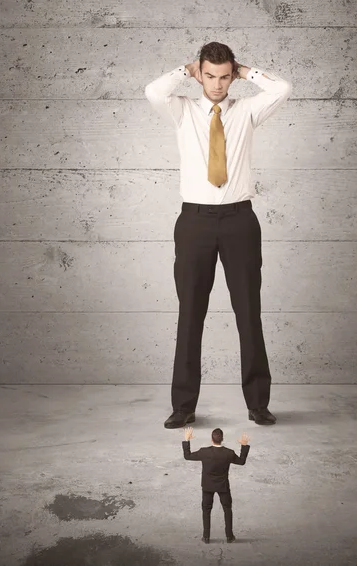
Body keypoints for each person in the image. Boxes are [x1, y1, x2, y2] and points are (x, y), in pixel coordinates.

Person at [144, 42, 292, 428]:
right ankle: (183, 406)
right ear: (201, 74)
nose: (217, 84)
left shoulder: (246, 111)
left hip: (240, 221)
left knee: (248, 313)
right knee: (190, 314)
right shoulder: (183, 111)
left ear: (232, 76)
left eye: (225, 76)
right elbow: (152, 91)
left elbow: (282, 89)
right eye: (210, 75)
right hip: (194, 222)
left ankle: (258, 404)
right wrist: (186, 69)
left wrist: (246, 71)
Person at [182, 426, 250, 543]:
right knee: (227, 509)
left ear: (211, 439)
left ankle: (206, 537)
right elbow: (241, 461)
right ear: (222, 439)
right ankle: (229, 536)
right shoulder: (228, 453)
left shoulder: (204, 452)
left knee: (206, 510)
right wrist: (244, 446)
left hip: (207, 486)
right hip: (223, 486)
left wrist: (187, 440)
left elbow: (187, 456)